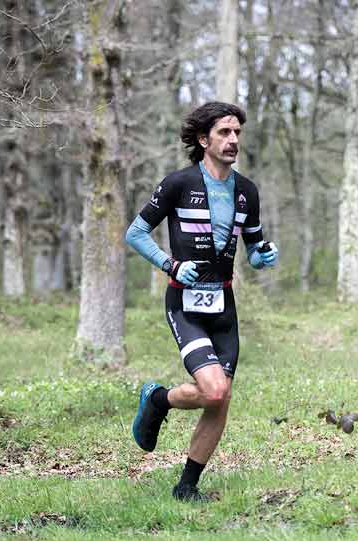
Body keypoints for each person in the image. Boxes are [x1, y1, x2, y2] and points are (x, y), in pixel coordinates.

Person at [126, 101, 279, 503]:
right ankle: (157, 399)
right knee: (213, 391)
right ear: (202, 139)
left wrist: (264, 257)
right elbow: (136, 233)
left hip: (224, 307)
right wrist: (170, 264)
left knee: (220, 397)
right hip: (184, 304)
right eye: (224, 133)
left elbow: (254, 251)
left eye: (237, 134)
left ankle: (186, 486)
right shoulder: (178, 184)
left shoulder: (247, 191)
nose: (233, 141)